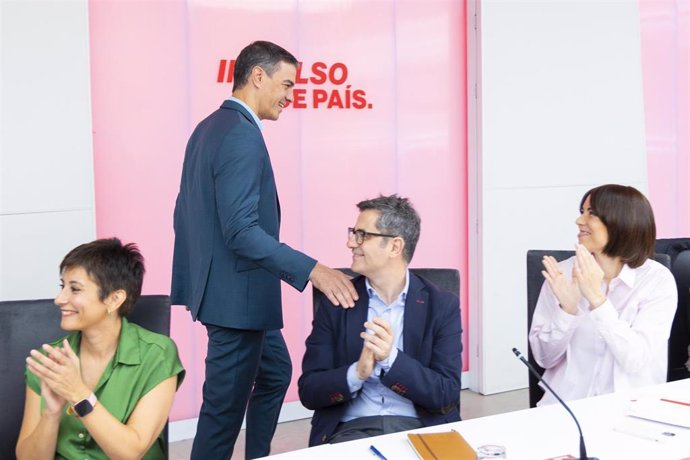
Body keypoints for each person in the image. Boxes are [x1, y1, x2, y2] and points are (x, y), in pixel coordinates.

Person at [171, 40, 357, 459]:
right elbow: (241, 232)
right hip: (235, 304)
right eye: (286, 85)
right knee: (222, 416)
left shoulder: (207, 128)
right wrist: (315, 270)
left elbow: (183, 213)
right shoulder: (240, 136)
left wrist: (197, 283)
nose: (290, 97)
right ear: (258, 76)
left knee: (275, 373)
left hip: (232, 295)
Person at [298, 195, 462, 446]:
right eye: (353, 233)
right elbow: (309, 391)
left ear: (395, 247)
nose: (350, 243)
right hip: (351, 431)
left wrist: (391, 359)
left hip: (421, 430)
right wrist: (357, 372)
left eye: (362, 235)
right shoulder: (337, 302)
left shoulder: (441, 306)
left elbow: (445, 394)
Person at [16, 238, 185, 459]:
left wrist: (78, 393)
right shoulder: (48, 361)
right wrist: (51, 413)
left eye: (74, 289)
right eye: (62, 286)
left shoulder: (157, 355)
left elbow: (130, 453)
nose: (59, 299)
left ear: (114, 299)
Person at [529, 184, 677, 405]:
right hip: (567, 407)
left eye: (592, 213)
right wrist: (567, 311)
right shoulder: (563, 274)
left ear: (622, 222)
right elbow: (543, 358)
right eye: (582, 212)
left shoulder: (657, 281)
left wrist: (597, 300)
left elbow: (635, 359)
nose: (579, 221)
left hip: (632, 410)